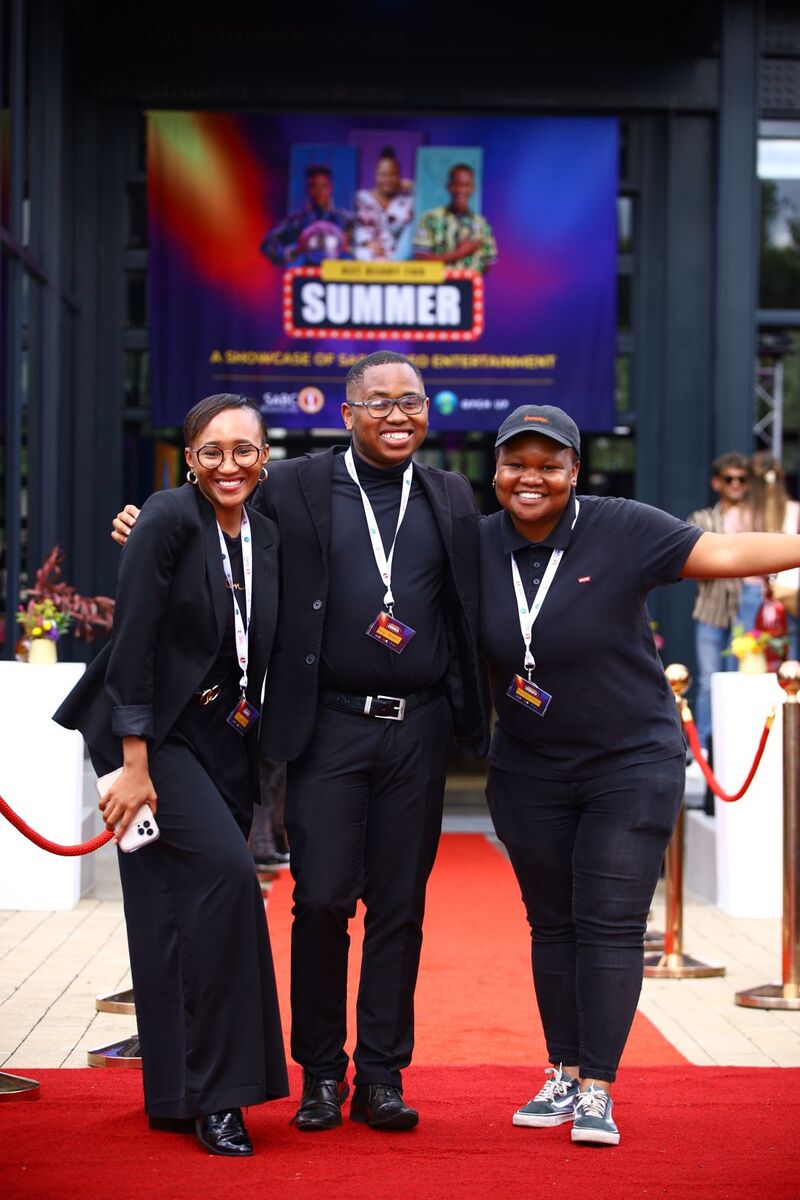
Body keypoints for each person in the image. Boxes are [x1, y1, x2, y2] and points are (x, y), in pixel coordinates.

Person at [112, 351, 487, 1134]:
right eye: (379, 402)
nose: (396, 415)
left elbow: (470, 595)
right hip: (327, 725)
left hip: (419, 727)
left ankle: (381, 1076)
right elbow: (215, 507)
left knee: (400, 906)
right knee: (320, 901)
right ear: (347, 414)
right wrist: (145, 528)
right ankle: (320, 1073)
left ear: (427, 411)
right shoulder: (292, 483)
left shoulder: (452, 494)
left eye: (410, 401)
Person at [479, 403, 800, 1148]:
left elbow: (726, 552)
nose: (531, 477)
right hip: (527, 764)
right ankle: (562, 1071)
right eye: (516, 463)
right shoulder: (474, 543)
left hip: (629, 760)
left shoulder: (622, 526)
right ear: (496, 471)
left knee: (610, 919)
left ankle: (597, 1087)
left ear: (574, 471)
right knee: (551, 921)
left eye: (549, 464)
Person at [57, 394, 288, 1156]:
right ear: (190, 459)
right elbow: (134, 642)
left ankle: (176, 1095)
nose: (229, 464)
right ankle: (221, 1099)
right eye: (211, 451)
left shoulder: (267, 533)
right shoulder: (166, 517)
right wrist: (134, 763)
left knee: (171, 911)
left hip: (225, 739)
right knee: (228, 882)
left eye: (244, 450)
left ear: (265, 457)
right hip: (155, 736)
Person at [687, 452, 751, 756]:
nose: (736, 484)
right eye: (729, 478)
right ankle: (702, 749)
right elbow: (695, 560)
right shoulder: (701, 518)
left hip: (746, 612)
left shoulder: (754, 519)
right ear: (717, 483)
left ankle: (736, 749)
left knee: (741, 681)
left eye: (741, 479)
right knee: (708, 682)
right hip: (710, 612)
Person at [734, 450, 800, 656]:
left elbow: (736, 555)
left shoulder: (741, 513)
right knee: (787, 648)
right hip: (785, 590)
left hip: (756, 589)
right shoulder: (795, 510)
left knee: (749, 650)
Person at [261, 164, 354, 266]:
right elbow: (267, 243)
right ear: (307, 188)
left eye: (323, 186)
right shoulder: (297, 221)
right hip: (305, 274)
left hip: (338, 274)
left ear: (330, 187)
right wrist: (294, 251)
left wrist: (349, 249)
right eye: (314, 186)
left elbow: (365, 247)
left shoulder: (345, 220)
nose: (319, 191)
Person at [413, 163, 497, 274]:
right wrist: (460, 253)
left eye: (466, 185)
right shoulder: (430, 218)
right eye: (456, 185)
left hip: (468, 284)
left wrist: (468, 271)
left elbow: (487, 264)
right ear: (449, 186)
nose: (461, 190)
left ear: (473, 188)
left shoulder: (481, 224)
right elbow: (421, 259)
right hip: (438, 284)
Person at [352, 146, 415, 261]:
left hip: (398, 261)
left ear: (399, 177)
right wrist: (366, 242)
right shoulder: (361, 198)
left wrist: (411, 184)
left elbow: (428, 193)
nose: (387, 180)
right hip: (365, 259)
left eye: (392, 175)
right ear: (376, 175)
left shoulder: (407, 201)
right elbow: (347, 229)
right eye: (383, 175)